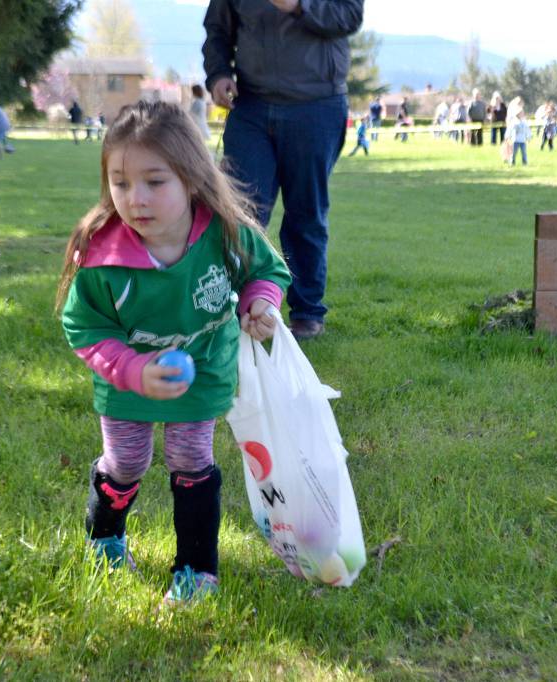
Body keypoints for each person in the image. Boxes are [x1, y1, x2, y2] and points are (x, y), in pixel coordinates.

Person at [57, 101, 291, 604]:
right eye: (120, 182)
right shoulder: (103, 258)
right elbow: (84, 327)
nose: (135, 198)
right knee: (127, 462)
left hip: (204, 365)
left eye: (155, 181)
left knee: (191, 457)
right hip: (127, 380)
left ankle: (196, 569)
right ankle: (105, 541)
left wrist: (259, 303)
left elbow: (266, 272)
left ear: (190, 178)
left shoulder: (225, 233)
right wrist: (134, 370)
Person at [203, 0, 363, 341]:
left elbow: (349, 15)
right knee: (238, 212)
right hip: (251, 106)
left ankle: (306, 313)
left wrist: (299, 5)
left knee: (306, 213)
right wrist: (217, 74)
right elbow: (217, 29)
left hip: (316, 104)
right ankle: (228, 309)